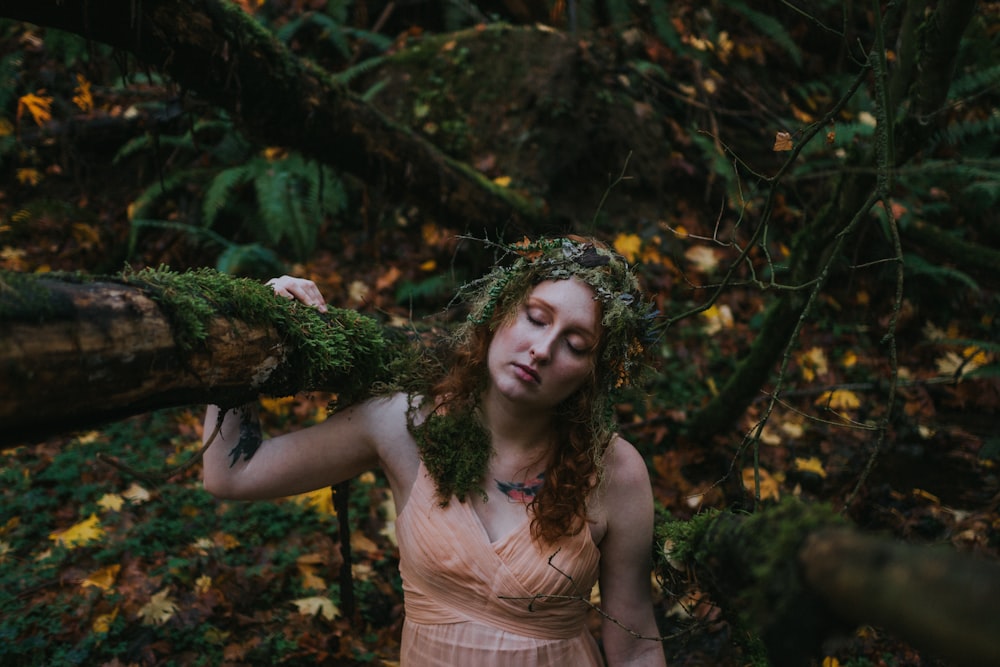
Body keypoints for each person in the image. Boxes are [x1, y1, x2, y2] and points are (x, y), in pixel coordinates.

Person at [202, 236, 667, 666]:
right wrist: (253, 322)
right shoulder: (403, 424)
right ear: (500, 311)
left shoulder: (613, 470)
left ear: (593, 374)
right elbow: (233, 474)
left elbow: (634, 648)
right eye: (536, 318)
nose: (542, 349)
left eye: (575, 344)